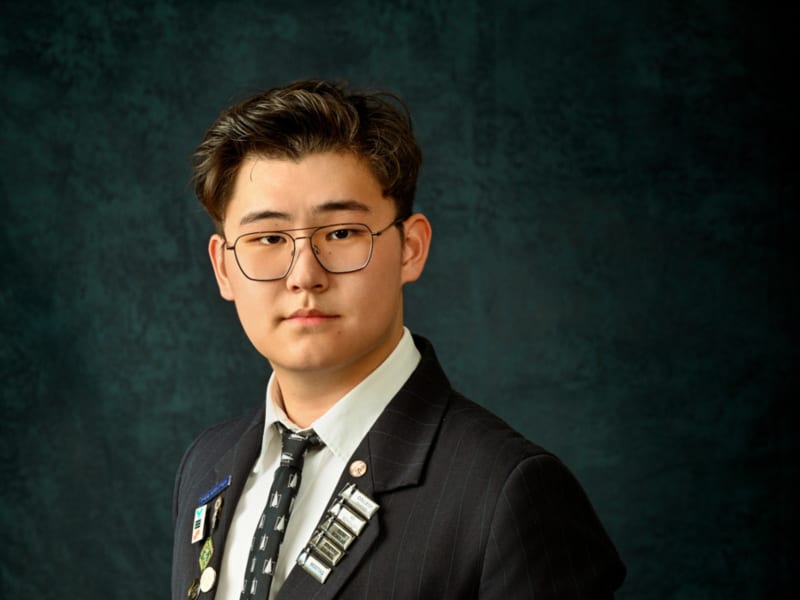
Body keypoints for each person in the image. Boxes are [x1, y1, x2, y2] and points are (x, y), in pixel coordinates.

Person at [172, 79, 625, 600]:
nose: (304, 275)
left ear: (410, 248)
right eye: (268, 239)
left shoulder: (508, 491)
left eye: (341, 233)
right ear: (224, 267)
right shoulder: (207, 464)